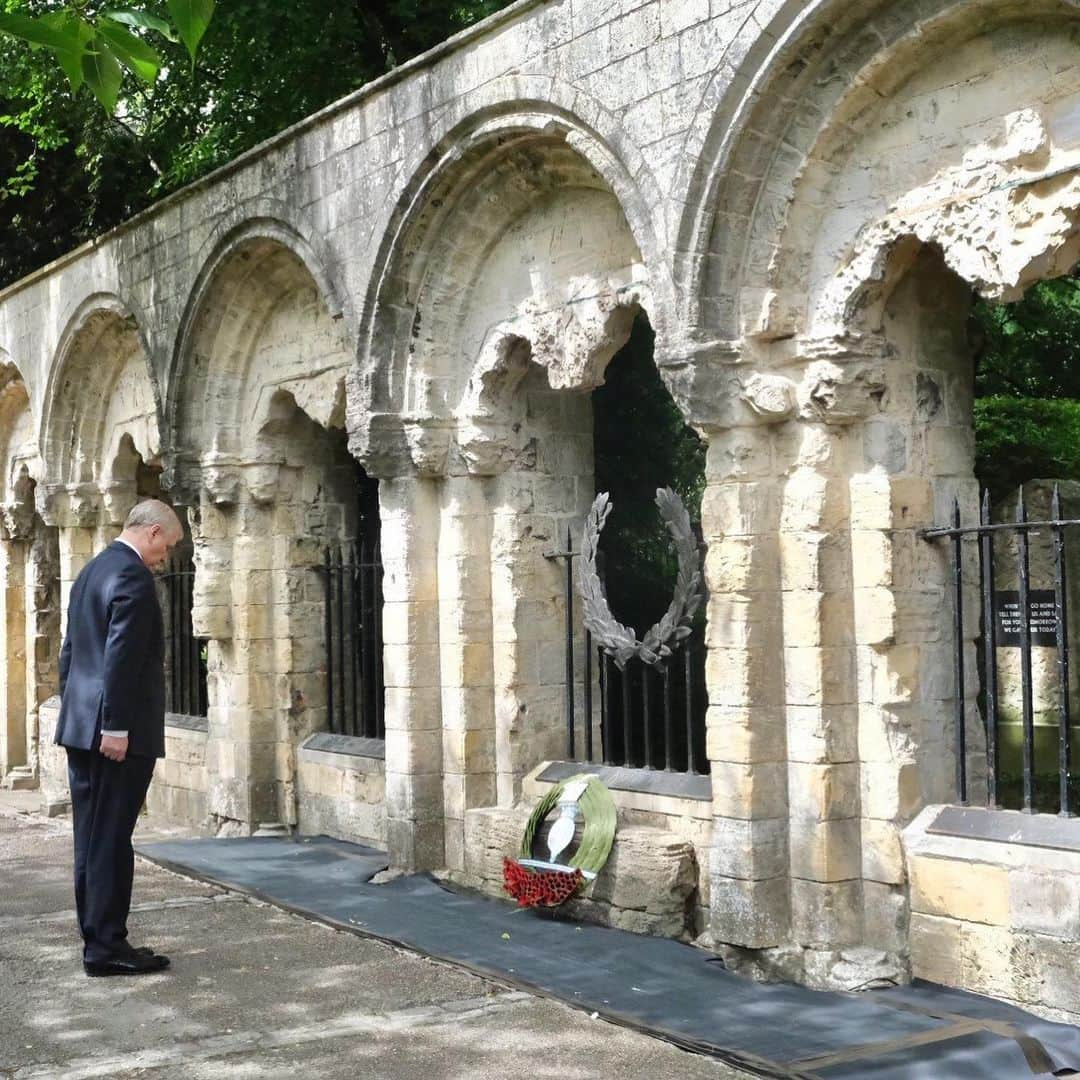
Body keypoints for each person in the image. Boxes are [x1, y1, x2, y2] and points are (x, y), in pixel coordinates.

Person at [55, 498, 184, 976]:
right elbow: (122, 657)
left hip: (81, 726)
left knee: (91, 840)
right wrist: (114, 726)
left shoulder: (92, 570)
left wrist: (76, 714)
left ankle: (98, 941)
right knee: (110, 840)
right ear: (151, 532)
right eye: (166, 548)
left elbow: (71, 654)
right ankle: (107, 946)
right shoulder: (132, 575)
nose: (163, 558)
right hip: (114, 735)